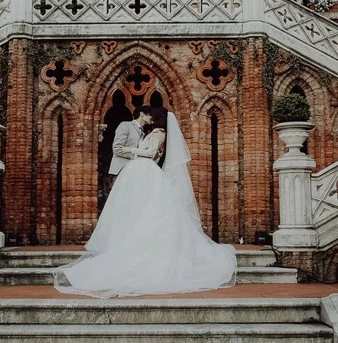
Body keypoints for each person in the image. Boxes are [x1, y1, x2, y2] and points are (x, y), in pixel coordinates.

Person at [54, 106, 236, 297]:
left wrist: (131, 150)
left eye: (152, 115)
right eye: (148, 114)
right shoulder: (144, 130)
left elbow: (149, 154)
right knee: (142, 210)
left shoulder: (158, 133)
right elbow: (132, 150)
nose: (150, 117)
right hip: (138, 171)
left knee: (146, 210)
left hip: (143, 170)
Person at [108, 105, 153, 183]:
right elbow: (117, 149)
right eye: (150, 115)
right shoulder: (125, 125)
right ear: (142, 114)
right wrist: (137, 155)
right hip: (120, 170)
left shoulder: (143, 132)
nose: (152, 118)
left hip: (133, 172)